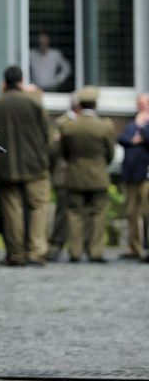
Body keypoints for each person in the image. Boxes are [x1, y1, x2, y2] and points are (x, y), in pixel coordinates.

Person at [0, 65, 51, 266]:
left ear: (4, 83)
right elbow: (47, 134)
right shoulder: (34, 103)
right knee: (38, 207)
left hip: (5, 165)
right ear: (21, 81)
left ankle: (16, 254)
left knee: (12, 210)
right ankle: (37, 252)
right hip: (35, 164)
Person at [59, 85, 116, 263]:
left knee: (75, 213)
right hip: (98, 175)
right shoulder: (104, 126)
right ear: (95, 104)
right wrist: (101, 164)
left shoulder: (69, 127)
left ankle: (75, 252)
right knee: (97, 214)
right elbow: (111, 153)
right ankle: (95, 251)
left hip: (75, 174)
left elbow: (64, 152)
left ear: (80, 104)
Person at [46, 92, 81, 262]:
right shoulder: (62, 123)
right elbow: (53, 151)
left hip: (82, 175)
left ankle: (77, 247)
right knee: (63, 212)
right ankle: (56, 245)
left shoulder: (88, 123)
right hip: (64, 174)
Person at [116, 93, 149, 260]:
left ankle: (146, 247)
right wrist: (136, 137)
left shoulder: (144, 122)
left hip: (145, 174)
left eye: (144, 103)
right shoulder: (132, 121)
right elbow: (122, 138)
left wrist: (141, 129)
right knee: (131, 212)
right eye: (139, 103)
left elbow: (146, 137)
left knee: (146, 211)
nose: (141, 106)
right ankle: (134, 247)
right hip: (130, 173)